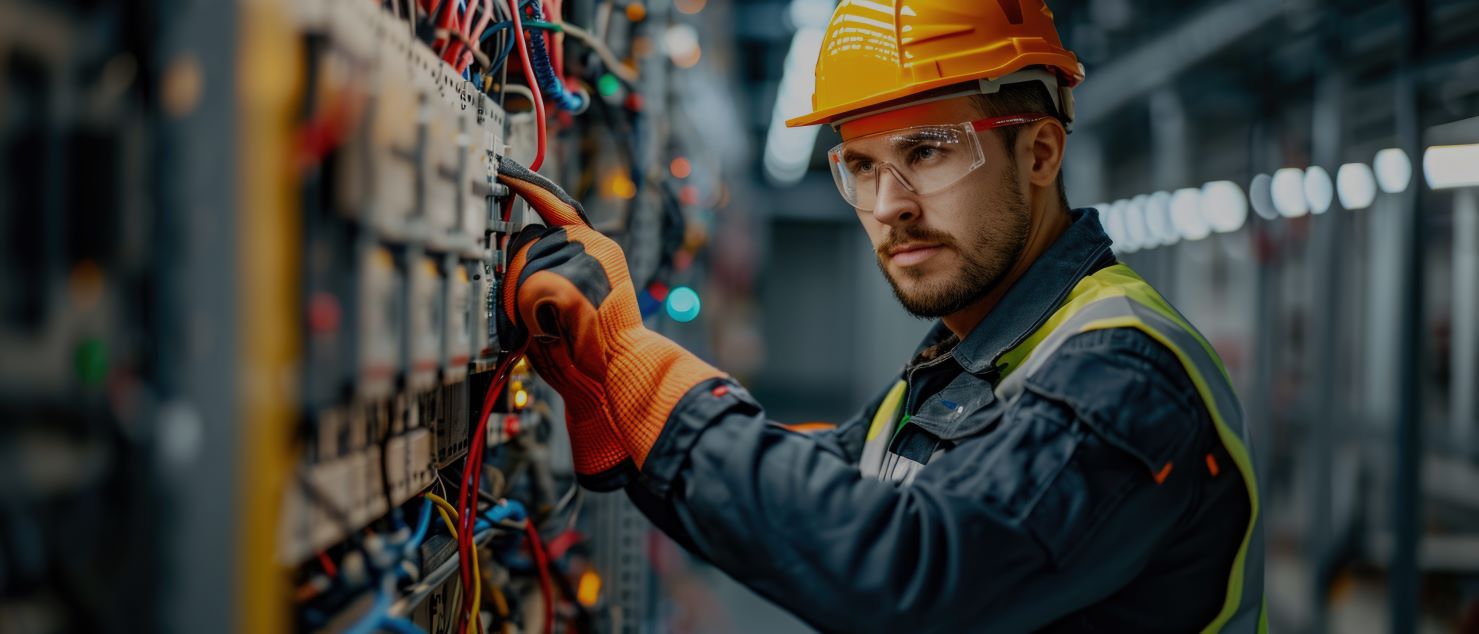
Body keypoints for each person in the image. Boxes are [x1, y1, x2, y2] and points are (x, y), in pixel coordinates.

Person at [495, 1, 1264, 631]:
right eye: (859, 166)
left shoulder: (1123, 372)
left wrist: (636, 361)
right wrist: (608, 394)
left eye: (927, 151)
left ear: (1038, 153)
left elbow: (912, 573)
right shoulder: (953, 369)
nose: (889, 205)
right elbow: (820, 506)